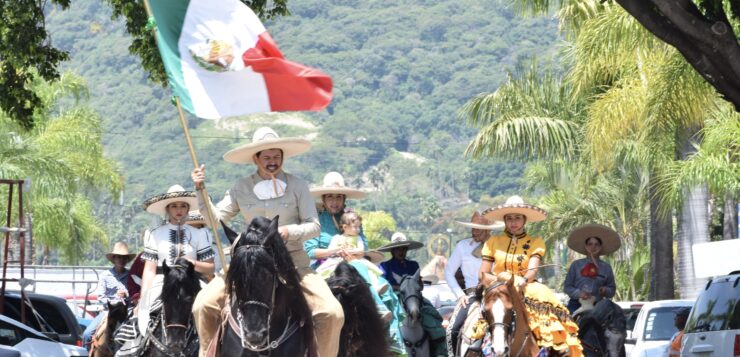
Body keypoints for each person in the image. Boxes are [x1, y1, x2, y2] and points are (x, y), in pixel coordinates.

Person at [190, 126, 344, 357]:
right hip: (249, 264)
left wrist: (288, 231)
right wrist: (200, 190)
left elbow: (314, 226)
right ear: (256, 159)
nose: (272, 161)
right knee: (202, 305)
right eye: (267, 157)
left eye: (276, 156)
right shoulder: (240, 187)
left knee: (332, 313)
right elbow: (215, 219)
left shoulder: (298, 186)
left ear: (282, 157)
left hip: (293, 264)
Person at [478, 195, 582, 356]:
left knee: (544, 294)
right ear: (504, 220)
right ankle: (469, 343)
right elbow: (483, 273)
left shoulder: (535, 242)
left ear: (524, 220)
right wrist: (501, 280)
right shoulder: (492, 242)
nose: (513, 222)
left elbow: (532, 271)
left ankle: (557, 344)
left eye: (517, 218)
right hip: (497, 286)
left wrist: (523, 280)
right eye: (509, 218)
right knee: (467, 317)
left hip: (525, 285)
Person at [137, 184, 216, 334]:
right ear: (167, 209)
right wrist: (144, 295)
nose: (179, 210)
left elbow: (210, 267)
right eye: (174, 206)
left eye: (182, 206)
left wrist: (192, 263)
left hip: (192, 280)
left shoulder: (201, 234)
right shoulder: (154, 234)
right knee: (144, 314)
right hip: (162, 280)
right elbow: (149, 269)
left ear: (188, 208)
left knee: (212, 308)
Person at [444, 211, 503, 356]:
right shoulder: (462, 246)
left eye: (478, 229)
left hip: (496, 294)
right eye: (473, 228)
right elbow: (448, 272)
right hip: (471, 296)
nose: (474, 232)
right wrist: (459, 295)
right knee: (452, 329)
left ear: (488, 229)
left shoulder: (500, 246)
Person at [304, 171, 368, 269]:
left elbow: (365, 246)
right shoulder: (315, 221)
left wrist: (353, 252)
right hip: (324, 265)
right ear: (323, 199)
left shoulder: (352, 218)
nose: (335, 201)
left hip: (353, 264)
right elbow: (310, 252)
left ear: (344, 200)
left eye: (339, 197)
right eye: (330, 197)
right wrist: (334, 251)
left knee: (381, 283)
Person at [82, 242, 135, 350]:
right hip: (108, 311)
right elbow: (101, 297)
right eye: (119, 257)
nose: (121, 260)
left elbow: (135, 296)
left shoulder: (131, 276)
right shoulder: (105, 276)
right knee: (87, 334)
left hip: (127, 311)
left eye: (124, 258)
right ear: (114, 259)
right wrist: (114, 300)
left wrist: (127, 295)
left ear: (127, 260)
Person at [563, 224, 620, 315]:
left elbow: (612, 290)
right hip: (576, 304)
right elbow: (567, 287)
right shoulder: (576, 265)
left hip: (597, 306)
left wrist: (605, 290)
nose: (593, 247)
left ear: (601, 247)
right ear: (586, 246)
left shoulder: (606, 268)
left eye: (596, 244)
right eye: (590, 244)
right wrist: (579, 293)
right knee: (568, 325)